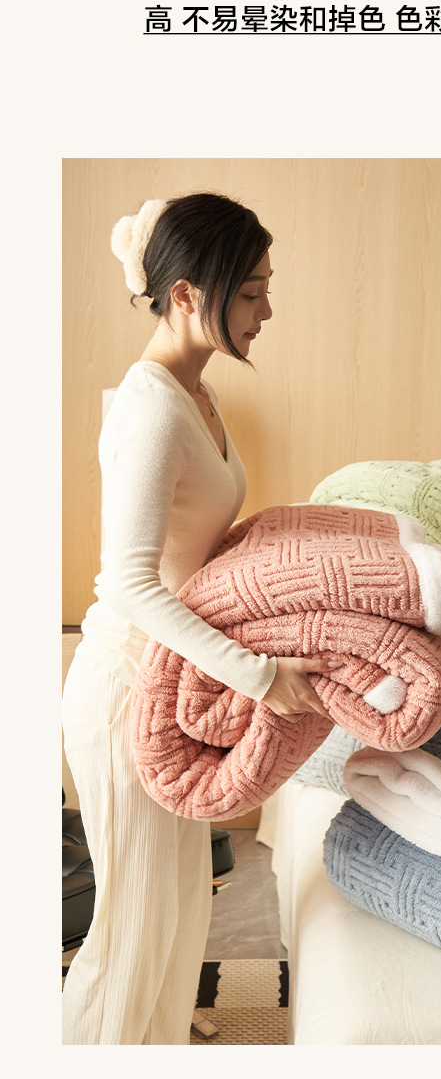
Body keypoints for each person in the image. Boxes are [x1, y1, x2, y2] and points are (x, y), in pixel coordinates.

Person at [62, 192, 338, 1045]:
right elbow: (130, 584)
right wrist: (261, 676)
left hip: (167, 688)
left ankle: (157, 1040)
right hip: (123, 691)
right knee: (131, 930)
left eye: (265, 289)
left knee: (179, 906)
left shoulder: (197, 392)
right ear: (186, 294)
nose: (266, 311)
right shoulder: (150, 406)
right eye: (251, 292)